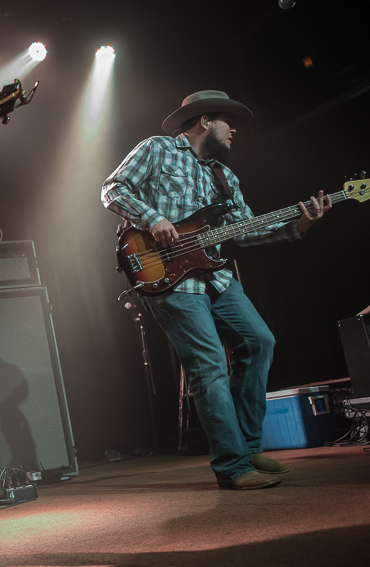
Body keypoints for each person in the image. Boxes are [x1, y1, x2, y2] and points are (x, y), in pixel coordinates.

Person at [101, 90, 331, 490]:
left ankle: (248, 445)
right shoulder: (157, 149)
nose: (234, 130)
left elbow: (250, 230)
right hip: (166, 274)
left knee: (259, 341)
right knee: (209, 365)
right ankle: (233, 466)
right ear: (205, 121)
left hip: (215, 275)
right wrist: (153, 217)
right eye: (228, 121)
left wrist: (301, 223)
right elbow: (113, 189)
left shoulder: (225, 176)